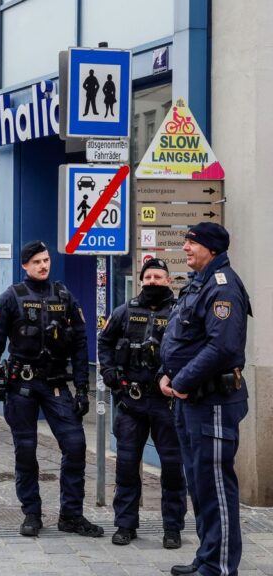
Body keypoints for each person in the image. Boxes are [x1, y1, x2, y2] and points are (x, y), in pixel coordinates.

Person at [0, 240, 103, 539]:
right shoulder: (11, 297)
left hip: (56, 384)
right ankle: (31, 513)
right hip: (21, 383)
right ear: (25, 265)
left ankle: (71, 515)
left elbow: (79, 341)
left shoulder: (64, 295)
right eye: (37, 261)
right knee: (26, 450)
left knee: (74, 445)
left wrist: (84, 388)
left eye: (46, 260)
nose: (43, 265)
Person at [159, 223, 250, 576]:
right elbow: (184, 339)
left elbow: (223, 347)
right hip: (191, 400)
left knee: (214, 487)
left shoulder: (223, 287)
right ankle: (206, 557)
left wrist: (181, 379)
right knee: (199, 484)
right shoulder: (200, 283)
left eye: (191, 243)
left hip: (212, 401)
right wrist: (167, 373)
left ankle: (221, 567)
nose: (185, 248)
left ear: (210, 248)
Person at [98, 258, 185, 549]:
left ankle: (172, 528)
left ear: (169, 281)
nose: (153, 282)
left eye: (159, 277)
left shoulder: (179, 313)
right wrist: (108, 372)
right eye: (148, 277)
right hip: (130, 403)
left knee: (172, 469)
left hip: (166, 404)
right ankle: (125, 525)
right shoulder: (124, 311)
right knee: (126, 466)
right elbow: (104, 342)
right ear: (141, 280)